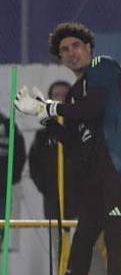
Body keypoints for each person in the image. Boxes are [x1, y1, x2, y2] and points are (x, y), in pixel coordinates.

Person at [19, 25, 121, 275]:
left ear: (89, 46)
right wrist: (45, 119)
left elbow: (96, 106)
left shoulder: (103, 66)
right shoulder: (75, 93)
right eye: (64, 50)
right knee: (81, 242)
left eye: (76, 45)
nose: (71, 52)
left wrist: (51, 106)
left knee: (115, 242)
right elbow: (74, 141)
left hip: (118, 169)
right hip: (94, 177)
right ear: (60, 58)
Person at [28, 81, 70, 220]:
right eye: (56, 95)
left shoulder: (83, 129)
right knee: (55, 239)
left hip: (80, 198)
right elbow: (34, 163)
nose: (61, 99)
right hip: (53, 197)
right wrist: (46, 187)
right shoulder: (42, 135)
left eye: (65, 95)